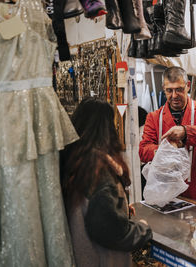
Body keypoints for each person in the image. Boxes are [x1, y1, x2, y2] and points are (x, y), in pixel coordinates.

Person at [61, 98, 152, 267]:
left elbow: (91, 210)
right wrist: (143, 229)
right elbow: (112, 232)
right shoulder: (99, 170)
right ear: (106, 128)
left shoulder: (74, 161)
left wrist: (118, 209)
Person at [139, 66, 196, 201]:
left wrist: (186, 132)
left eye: (179, 89)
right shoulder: (154, 117)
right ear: (163, 88)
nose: (174, 96)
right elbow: (143, 150)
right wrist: (164, 152)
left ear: (188, 86)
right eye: (169, 90)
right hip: (166, 194)